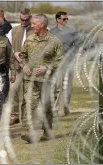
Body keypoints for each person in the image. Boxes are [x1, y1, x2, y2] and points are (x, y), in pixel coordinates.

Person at [15, 14, 64, 142]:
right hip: (30, 80)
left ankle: (47, 132)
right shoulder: (29, 39)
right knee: (30, 106)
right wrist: (24, 65)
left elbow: (60, 60)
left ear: (42, 25)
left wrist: (47, 68)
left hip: (47, 81)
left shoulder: (55, 41)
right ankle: (30, 133)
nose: (31, 26)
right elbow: (22, 55)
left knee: (47, 107)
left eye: (34, 24)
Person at [6, 8, 34, 126]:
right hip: (16, 67)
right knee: (13, 91)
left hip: (30, 68)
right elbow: (9, 47)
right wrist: (15, 55)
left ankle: (25, 118)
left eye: (26, 20)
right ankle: (14, 116)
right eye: (21, 19)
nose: (23, 22)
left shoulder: (35, 30)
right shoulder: (13, 31)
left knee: (28, 93)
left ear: (30, 18)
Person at [50, 11, 78, 116]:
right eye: (64, 19)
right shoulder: (52, 32)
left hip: (69, 62)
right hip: (56, 63)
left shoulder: (72, 32)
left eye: (67, 19)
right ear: (58, 19)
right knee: (57, 86)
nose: (66, 21)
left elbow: (77, 44)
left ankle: (65, 107)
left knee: (68, 87)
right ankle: (57, 108)